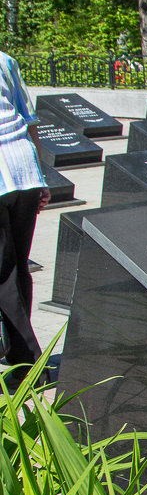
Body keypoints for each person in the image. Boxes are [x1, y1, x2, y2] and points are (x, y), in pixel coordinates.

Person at [0, 51, 48, 387]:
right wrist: (42, 178)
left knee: (4, 274)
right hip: (24, 169)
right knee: (17, 267)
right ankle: (18, 357)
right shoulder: (6, 60)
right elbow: (28, 118)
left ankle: (31, 364)